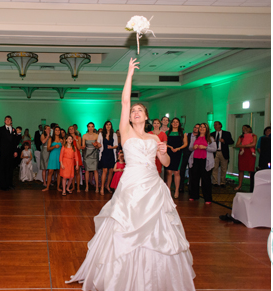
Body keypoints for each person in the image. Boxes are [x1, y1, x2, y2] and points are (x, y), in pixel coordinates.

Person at [67, 58, 196, 290]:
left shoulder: (156, 138)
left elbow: (165, 162)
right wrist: (129, 73)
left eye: (140, 110)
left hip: (153, 186)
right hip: (132, 184)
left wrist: (165, 152)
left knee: (158, 230)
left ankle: (155, 277)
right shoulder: (125, 132)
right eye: (133, 111)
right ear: (129, 117)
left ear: (147, 117)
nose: (135, 112)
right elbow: (125, 100)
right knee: (125, 225)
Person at [189, 123, 217, 203]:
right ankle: (194, 195)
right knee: (194, 179)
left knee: (206, 180)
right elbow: (190, 148)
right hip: (195, 160)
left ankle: (207, 198)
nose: (202, 128)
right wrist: (193, 147)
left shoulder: (210, 138)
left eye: (204, 127)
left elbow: (214, 149)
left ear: (207, 129)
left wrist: (205, 147)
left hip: (205, 161)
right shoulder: (194, 137)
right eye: (200, 127)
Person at [164, 118, 188, 198]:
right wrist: (170, 147)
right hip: (169, 153)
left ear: (179, 124)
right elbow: (164, 143)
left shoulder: (182, 133)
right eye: (173, 122)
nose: (175, 123)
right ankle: (169, 190)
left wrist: (178, 148)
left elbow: (185, 144)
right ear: (171, 123)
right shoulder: (167, 132)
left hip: (178, 153)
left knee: (177, 172)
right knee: (169, 172)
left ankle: (177, 190)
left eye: (176, 122)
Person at [0, 116, 20, 190]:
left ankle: (10, 184)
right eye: (6, 120)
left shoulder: (14, 130)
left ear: (11, 121)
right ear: (4, 121)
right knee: (2, 168)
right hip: (2, 152)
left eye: (9, 120)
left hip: (11, 153)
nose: (8, 121)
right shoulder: (0, 129)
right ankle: (3, 185)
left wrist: (15, 151)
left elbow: (15, 142)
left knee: (10, 168)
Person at [97, 121, 118, 195]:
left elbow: (116, 145)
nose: (108, 126)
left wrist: (112, 147)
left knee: (111, 170)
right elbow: (98, 143)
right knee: (105, 170)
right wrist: (98, 145)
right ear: (105, 126)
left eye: (110, 125)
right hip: (104, 154)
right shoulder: (101, 134)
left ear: (111, 126)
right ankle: (102, 187)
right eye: (107, 124)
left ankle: (107, 186)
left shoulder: (114, 134)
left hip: (111, 154)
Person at [210, 121, 234, 186]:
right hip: (215, 153)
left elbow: (232, 142)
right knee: (215, 167)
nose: (215, 126)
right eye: (214, 125)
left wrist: (224, 141)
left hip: (223, 152)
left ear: (220, 125)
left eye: (216, 125)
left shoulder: (227, 133)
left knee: (224, 168)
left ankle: (222, 182)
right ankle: (215, 182)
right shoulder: (212, 134)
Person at [234, 125, 256, 190]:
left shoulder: (254, 136)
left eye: (245, 128)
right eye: (243, 128)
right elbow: (237, 144)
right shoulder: (241, 137)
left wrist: (244, 145)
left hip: (250, 154)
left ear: (249, 129)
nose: (244, 129)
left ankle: (252, 186)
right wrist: (247, 145)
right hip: (242, 154)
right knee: (241, 169)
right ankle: (240, 185)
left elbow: (253, 144)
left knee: (250, 170)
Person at [42, 126, 62, 192]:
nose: (57, 131)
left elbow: (64, 148)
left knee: (59, 172)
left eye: (59, 130)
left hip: (60, 156)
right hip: (53, 156)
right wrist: (54, 146)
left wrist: (63, 143)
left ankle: (58, 187)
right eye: (56, 130)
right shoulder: (51, 139)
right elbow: (48, 148)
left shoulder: (62, 139)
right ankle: (47, 187)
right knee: (50, 172)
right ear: (54, 131)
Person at [82, 122, 100, 192]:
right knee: (87, 170)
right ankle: (86, 186)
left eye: (92, 126)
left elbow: (98, 146)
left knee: (95, 170)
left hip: (94, 154)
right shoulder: (84, 136)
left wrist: (95, 145)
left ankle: (97, 187)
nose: (91, 128)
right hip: (87, 154)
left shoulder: (97, 135)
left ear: (94, 127)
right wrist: (80, 146)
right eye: (89, 126)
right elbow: (83, 146)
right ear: (87, 128)